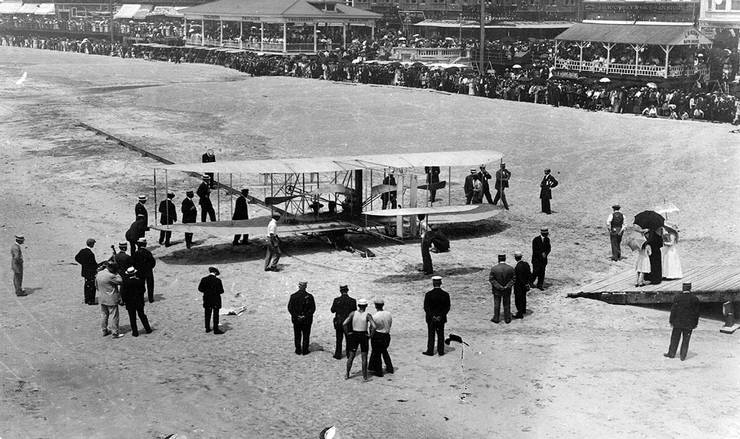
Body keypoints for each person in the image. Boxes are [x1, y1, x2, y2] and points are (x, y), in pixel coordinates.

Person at [664, 282, 700, 361]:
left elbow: (673, 310)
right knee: (686, 340)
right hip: (689, 323)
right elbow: (697, 313)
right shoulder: (695, 298)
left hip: (677, 323)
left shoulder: (677, 297)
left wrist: (671, 321)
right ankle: (683, 356)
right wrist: (695, 323)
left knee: (674, 339)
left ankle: (671, 354)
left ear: (683, 288)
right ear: (690, 288)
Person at [343, 298, 375, 380]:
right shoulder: (368, 315)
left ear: (358, 305)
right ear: (366, 306)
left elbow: (344, 323)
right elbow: (374, 326)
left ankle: (347, 374)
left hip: (354, 334)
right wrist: (371, 335)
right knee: (364, 357)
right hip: (363, 335)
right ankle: (365, 376)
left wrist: (348, 333)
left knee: (351, 356)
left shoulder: (353, 313)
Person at [120, 267, 152, 337]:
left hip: (130, 302)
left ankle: (135, 332)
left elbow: (123, 293)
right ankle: (148, 329)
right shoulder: (140, 281)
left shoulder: (125, 282)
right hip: (139, 301)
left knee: (132, 317)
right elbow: (143, 290)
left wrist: (124, 301)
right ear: (135, 273)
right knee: (142, 315)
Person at [423, 276, 450, 356]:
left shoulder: (428, 294)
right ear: (440, 283)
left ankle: (430, 351)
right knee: (440, 335)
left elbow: (426, 307)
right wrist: (440, 316)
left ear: (433, 283)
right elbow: (447, 307)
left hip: (431, 319)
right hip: (441, 318)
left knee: (431, 335)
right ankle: (441, 351)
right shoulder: (445, 294)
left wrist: (433, 316)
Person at [96, 262, 124, 338]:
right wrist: (117, 273)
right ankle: (115, 332)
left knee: (104, 315)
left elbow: (96, 286)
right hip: (111, 298)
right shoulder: (111, 276)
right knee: (114, 316)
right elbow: (121, 281)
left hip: (102, 297)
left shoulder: (99, 273)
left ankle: (104, 330)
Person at [288, 281, 316, 355]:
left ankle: (298, 350)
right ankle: (305, 350)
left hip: (296, 320)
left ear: (299, 286)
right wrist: (305, 316)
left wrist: (296, 316)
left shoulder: (293, 296)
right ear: (305, 287)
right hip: (306, 320)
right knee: (306, 335)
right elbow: (312, 309)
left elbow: (290, 308)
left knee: (297, 335)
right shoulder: (310, 296)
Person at [368, 298, 393, 377]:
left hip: (378, 336)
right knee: (384, 351)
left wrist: (371, 336)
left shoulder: (375, 316)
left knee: (377, 354)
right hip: (387, 335)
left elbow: (372, 328)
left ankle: (378, 371)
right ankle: (390, 368)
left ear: (376, 306)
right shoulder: (388, 314)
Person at [330, 284, 356, 359]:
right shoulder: (352, 301)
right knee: (348, 339)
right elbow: (354, 311)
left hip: (338, 322)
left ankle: (338, 354)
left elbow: (332, 310)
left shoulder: (336, 300)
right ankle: (348, 354)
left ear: (340, 291)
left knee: (339, 339)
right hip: (348, 322)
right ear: (347, 290)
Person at [489, 254, 515, 324]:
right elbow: (513, 279)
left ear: (498, 259)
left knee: (497, 304)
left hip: (497, 290)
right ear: (505, 259)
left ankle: (496, 318)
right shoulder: (510, 268)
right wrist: (507, 286)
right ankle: (507, 318)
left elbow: (492, 279)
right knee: (507, 304)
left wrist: (499, 286)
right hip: (507, 290)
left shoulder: (494, 269)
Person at [198, 267, 224, 334]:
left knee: (207, 314)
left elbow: (200, 289)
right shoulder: (218, 280)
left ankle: (207, 328)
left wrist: (207, 292)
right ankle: (216, 329)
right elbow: (221, 291)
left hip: (207, 299)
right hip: (215, 299)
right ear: (215, 273)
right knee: (215, 314)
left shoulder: (204, 279)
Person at [74, 238, 98, 305]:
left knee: (86, 285)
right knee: (92, 286)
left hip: (85, 271)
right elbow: (94, 264)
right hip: (91, 272)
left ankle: (87, 299)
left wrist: (83, 263)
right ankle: (91, 300)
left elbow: (76, 258)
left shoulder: (82, 251)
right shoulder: (90, 254)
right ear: (92, 244)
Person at [133, 238, 156, 303]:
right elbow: (153, 262)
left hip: (139, 272)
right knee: (150, 285)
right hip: (148, 271)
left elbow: (133, 263)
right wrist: (149, 268)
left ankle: (141, 298)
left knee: (140, 285)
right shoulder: (148, 253)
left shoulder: (136, 253)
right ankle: (151, 299)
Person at [513, 251, 532, 319]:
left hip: (519, 286)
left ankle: (520, 313)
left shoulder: (518, 267)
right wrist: (527, 283)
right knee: (523, 298)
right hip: (525, 285)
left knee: (518, 300)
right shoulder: (526, 264)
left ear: (515, 258)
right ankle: (523, 310)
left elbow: (519, 278)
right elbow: (529, 274)